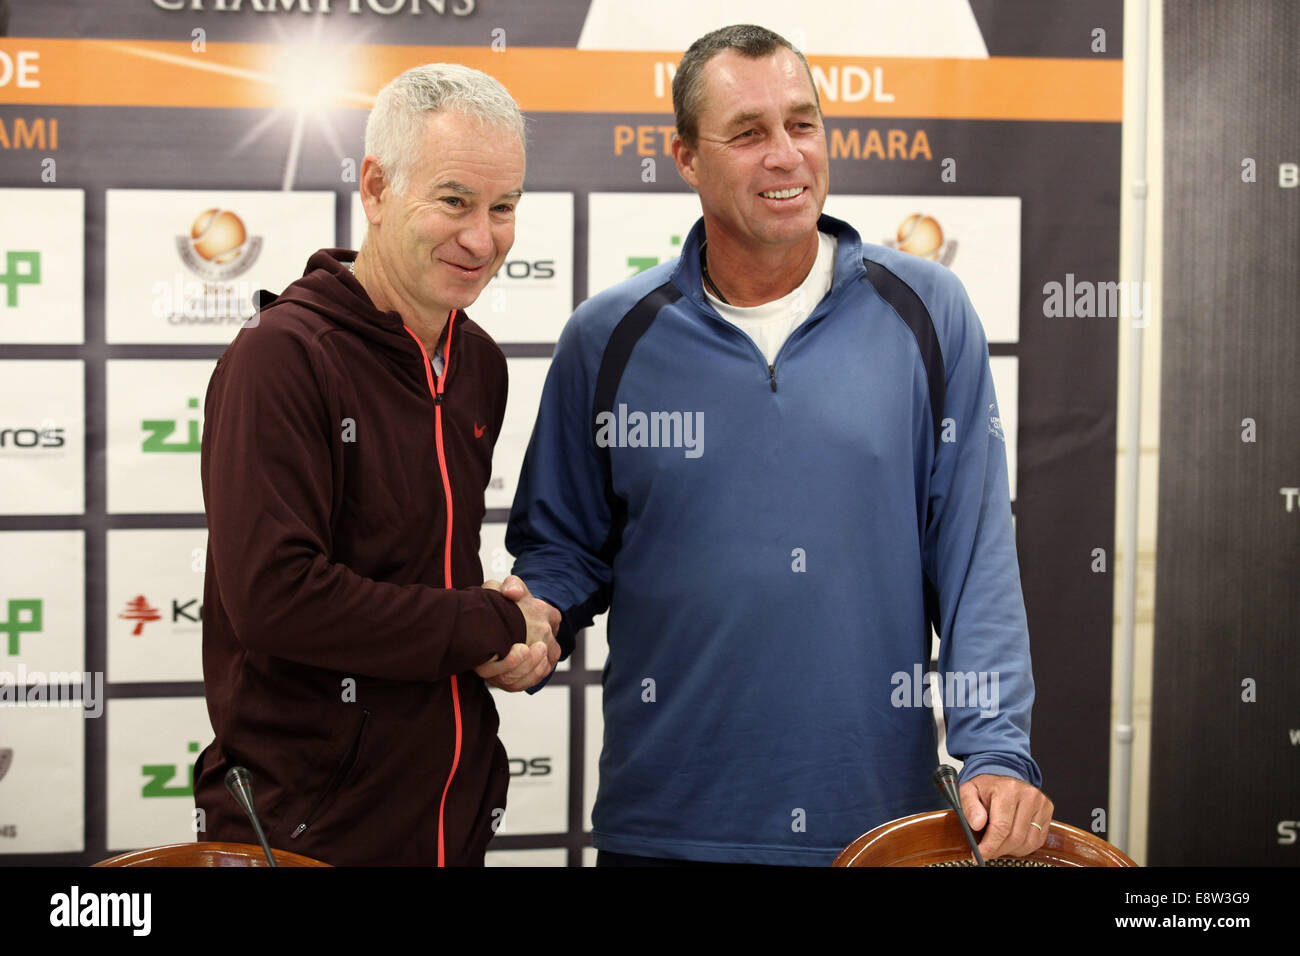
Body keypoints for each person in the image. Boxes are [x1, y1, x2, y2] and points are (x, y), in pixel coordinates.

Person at [504, 24, 1053, 866]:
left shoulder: (929, 312)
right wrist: (535, 613)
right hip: (665, 827)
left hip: (879, 829)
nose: (786, 156)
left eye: (802, 124)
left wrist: (997, 749)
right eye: (749, 133)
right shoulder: (605, 336)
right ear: (685, 158)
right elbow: (565, 550)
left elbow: (975, 561)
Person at [193, 63, 559, 867]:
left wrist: (515, 633)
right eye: (455, 200)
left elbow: (423, 579)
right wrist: (488, 624)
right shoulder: (281, 358)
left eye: (504, 208)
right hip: (310, 832)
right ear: (376, 187)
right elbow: (277, 599)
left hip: (449, 819)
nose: (482, 238)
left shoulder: (479, 364)